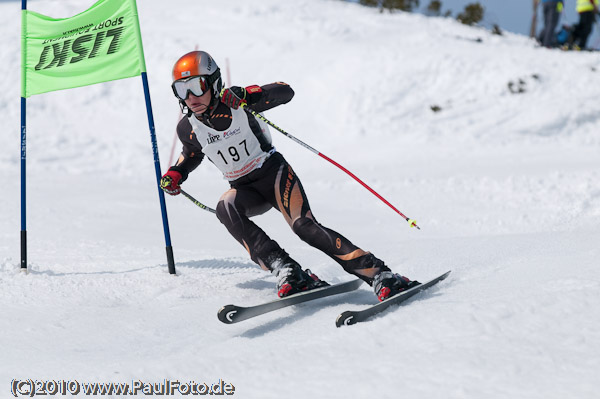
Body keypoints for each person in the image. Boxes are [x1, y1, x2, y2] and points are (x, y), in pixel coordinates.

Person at [160, 50, 420, 301]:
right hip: (244, 189)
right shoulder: (188, 127)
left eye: (196, 85)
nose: (190, 96)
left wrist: (249, 95)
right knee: (225, 207)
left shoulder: (235, 103)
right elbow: (191, 153)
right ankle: (287, 270)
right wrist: (176, 173)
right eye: (181, 90)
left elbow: (285, 91)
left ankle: (379, 274)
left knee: (304, 227)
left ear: (214, 83)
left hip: (273, 175)